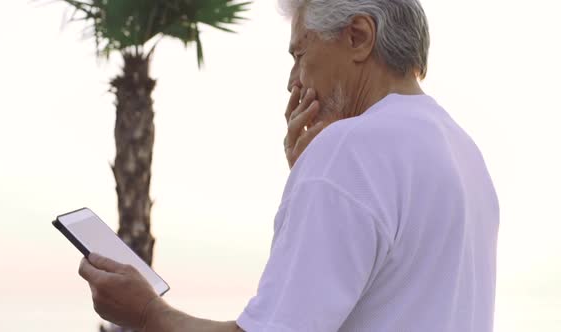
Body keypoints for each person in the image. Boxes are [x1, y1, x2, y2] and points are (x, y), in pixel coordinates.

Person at [78, 0, 500, 331]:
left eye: (299, 53)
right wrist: (308, 174)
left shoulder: (348, 150)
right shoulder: (464, 153)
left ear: (358, 37)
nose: (293, 80)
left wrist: (146, 313)